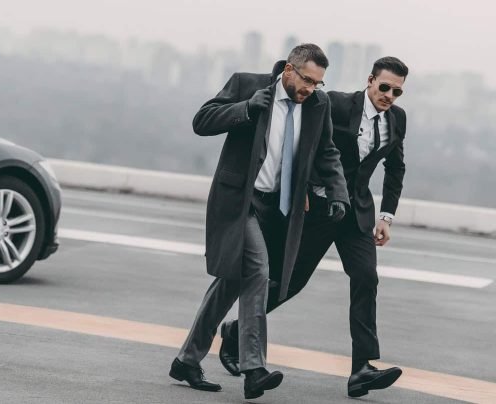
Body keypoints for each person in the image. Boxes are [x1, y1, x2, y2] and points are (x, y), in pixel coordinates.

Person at [218, 57, 411, 398]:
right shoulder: (334, 102)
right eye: (384, 87)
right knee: (289, 281)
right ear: (370, 81)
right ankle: (237, 332)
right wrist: (301, 187)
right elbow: (302, 142)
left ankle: (361, 369)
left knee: (367, 278)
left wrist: (386, 216)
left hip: (356, 215)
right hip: (318, 209)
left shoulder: (397, 119)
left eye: (397, 91)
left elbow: (396, 168)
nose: (389, 96)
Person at [169, 44, 348, 400]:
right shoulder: (247, 86)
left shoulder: (317, 105)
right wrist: (246, 109)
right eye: (308, 80)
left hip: (279, 210)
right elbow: (202, 121)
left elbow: (327, 152)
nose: (311, 89)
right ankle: (253, 368)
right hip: (240, 201)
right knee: (258, 273)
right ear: (288, 71)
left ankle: (187, 360)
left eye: (318, 83)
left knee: (230, 283)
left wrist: (338, 191)